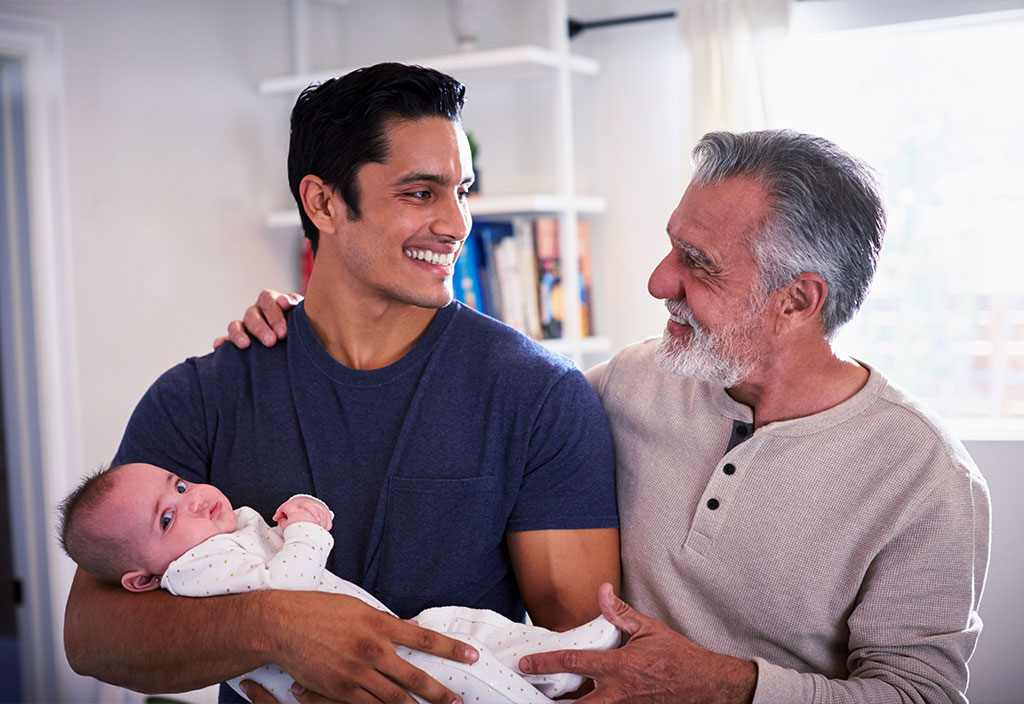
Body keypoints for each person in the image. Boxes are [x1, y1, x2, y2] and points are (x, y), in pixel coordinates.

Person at [236, 129, 991, 703]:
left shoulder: (924, 478)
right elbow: (484, 400)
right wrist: (315, 326)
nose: (660, 279)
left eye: (698, 265)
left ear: (799, 300)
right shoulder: (633, 380)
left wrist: (728, 685)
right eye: (672, 245)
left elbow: (918, 694)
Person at [62, 62, 620, 704]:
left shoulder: (540, 397)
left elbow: (583, 663)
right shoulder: (198, 398)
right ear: (323, 202)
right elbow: (93, 634)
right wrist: (281, 628)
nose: (458, 223)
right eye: (420, 193)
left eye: (461, 190)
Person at [59, 463, 620, 704]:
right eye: (165, 517)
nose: (193, 498)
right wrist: (306, 530)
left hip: (390, 635)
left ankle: (560, 659)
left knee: (465, 629)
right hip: (370, 667)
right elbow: (291, 595)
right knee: (462, 671)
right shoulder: (192, 570)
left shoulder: (220, 534)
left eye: (179, 484)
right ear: (143, 579)